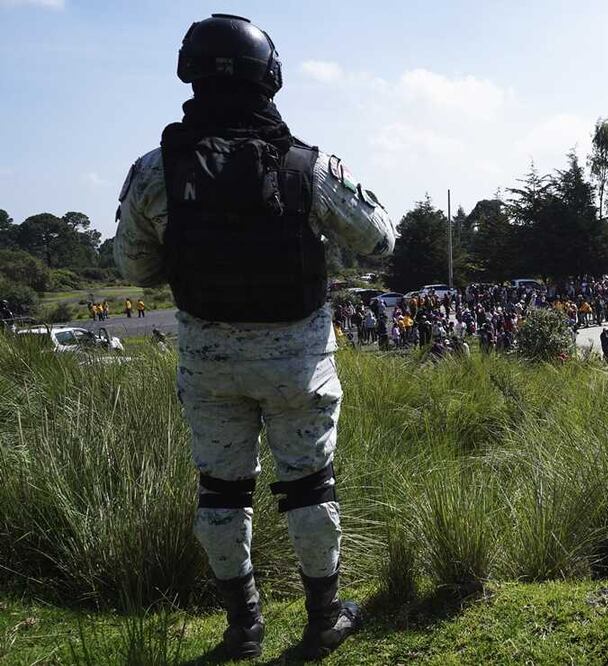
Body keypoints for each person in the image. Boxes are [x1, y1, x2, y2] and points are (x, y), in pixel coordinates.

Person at [114, 14, 395, 660]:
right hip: (298, 358)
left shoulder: (155, 170)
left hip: (208, 361)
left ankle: (242, 630)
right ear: (270, 78)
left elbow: (133, 267)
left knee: (221, 492)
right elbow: (381, 239)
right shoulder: (309, 165)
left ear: (190, 73)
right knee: (308, 486)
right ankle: (323, 618)